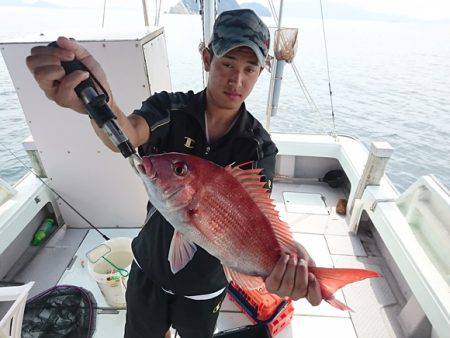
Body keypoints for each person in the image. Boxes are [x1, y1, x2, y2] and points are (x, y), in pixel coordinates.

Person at [26, 9, 322, 338]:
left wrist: (291, 256)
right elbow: (128, 133)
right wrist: (98, 105)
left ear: (260, 71)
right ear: (207, 58)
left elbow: (258, 221)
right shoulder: (170, 108)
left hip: (205, 286)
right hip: (149, 267)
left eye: (249, 69)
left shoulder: (259, 148)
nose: (237, 80)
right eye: (227, 64)